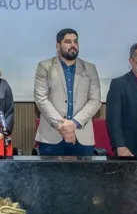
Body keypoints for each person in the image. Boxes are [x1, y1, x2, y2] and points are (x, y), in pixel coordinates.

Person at [34, 28, 102, 156]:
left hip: (82, 137)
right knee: (49, 176)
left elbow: (95, 100)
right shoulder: (45, 67)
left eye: (76, 42)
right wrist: (63, 127)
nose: (73, 45)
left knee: (84, 176)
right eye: (68, 41)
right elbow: (41, 99)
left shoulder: (90, 68)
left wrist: (74, 123)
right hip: (52, 137)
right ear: (58, 45)